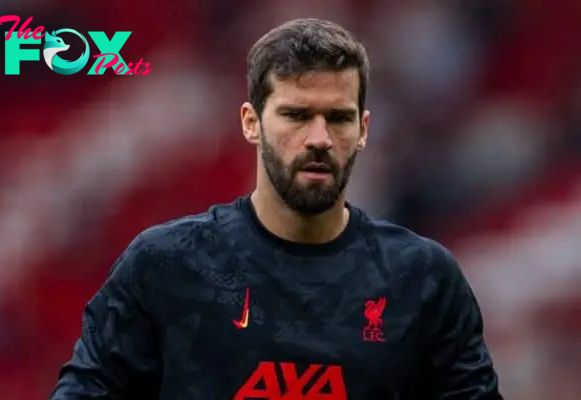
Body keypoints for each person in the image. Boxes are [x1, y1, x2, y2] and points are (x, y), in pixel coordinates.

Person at [51, 18, 503, 399]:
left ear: (363, 130)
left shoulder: (422, 279)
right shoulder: (167, 265)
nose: (319, 138)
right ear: (252, 123)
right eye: (296, 115)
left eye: (340, 118)